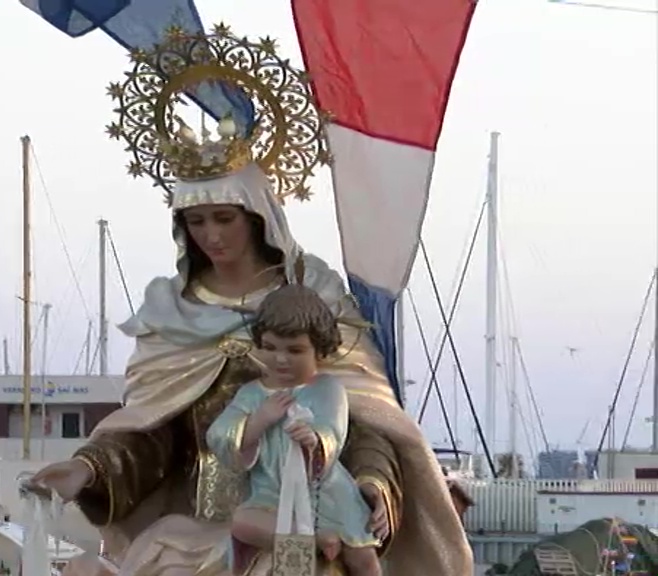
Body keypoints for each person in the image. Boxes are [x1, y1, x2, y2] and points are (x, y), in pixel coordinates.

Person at [30, 25, 473, 576]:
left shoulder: (313, 296)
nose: (211, 236)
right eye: (196, 222)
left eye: (224, 218)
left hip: (309, 518)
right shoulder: (172, 312)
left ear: (257, 215)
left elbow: (365, 417)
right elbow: (153, 437)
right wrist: (90, 470)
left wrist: (373, 485)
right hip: (206, 522)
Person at [207, 284, 381, 576]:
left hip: (326, 495)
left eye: (295, 350)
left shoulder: (327, 389)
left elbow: (333, 432)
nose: (281, 359)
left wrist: (315, 439)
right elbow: (219, 434)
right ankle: (316, 539)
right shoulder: (251, 394)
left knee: (363, 556)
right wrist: (259, 420)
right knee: (242, 522)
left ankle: (328, 535)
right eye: (270, 348)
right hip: (269, 495)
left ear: (319, 349)